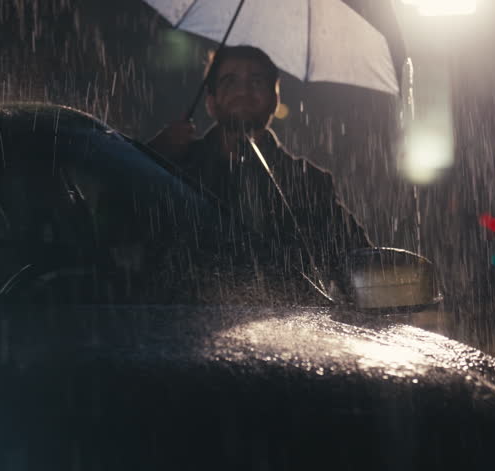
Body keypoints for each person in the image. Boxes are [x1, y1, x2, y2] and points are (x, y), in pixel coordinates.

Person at [147, 45, 372, 292]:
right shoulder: (173, 170)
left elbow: (361, 263)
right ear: (210, 102)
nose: (243, 91)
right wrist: (151, 156)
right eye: (229, 82)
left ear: (275, 100)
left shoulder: (308, 183)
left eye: (256, 81)